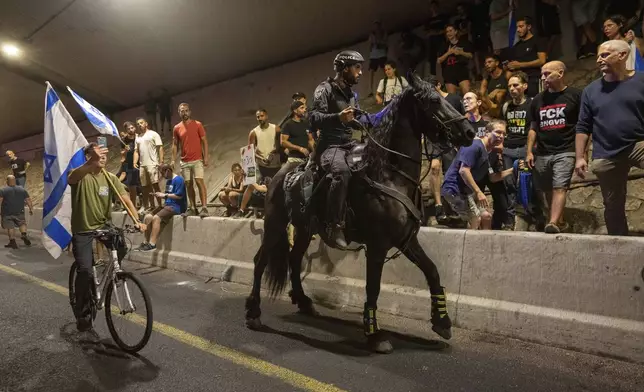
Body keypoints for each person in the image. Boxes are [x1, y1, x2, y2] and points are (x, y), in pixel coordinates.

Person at [68, 143, 144, 332]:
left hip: (104, 225)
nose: (103, 157)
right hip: (83, 228)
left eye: (104, 155)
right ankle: (82, 311)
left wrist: (137, 219)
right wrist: (89, 163)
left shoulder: (110, 178)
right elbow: (72, 178)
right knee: (85, 270)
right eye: (98, 154)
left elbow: (125, 198)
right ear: (88, 156)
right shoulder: (80, 175)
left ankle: (110, 274)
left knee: (122, 247)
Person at [575, 40, 644, 236]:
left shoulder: (641, 81)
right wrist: (580, 157)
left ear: (622, 55)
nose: (599, 60)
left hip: (638, 144)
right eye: (598, 56)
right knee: (612, 204)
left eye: (604, 55)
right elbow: (583, 126)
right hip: (607, 151)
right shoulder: (590, 91)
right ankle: (619, 244)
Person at [309, 50, 365, 248]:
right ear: (344, 68)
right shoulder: (324, 89)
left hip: (350, 145)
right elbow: (313, 118)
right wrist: (338, 117)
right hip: (330, 147)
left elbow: (358, 119)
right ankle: (334, 225)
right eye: (357, 68)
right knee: (341, 171)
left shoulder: (352, 95)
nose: (360, 72)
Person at [526, 61, 582, 234]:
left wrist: (582, 153)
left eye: (547, 74)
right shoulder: (538, 99)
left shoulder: (575, 95)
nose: (543, 78)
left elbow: (583, 126)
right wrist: (529, 151)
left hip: (566, 150)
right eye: (542, 74)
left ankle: (553, 222)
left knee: (560, 186)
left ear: (560, 73)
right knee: (547, 189)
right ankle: (560, 220)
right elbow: (533, 127)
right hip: (543, 152)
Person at [441, 120, 515, 229]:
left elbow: (492, 177)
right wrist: (479, 192)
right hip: (454, 189)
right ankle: (471, 244)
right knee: (476, 218)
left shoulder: (489, 151)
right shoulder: (474, 146)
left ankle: (485, 243)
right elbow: (463, 171)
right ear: (487, 132)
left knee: (486, 216)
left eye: (504, 134)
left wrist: (514, 169)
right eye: (498, 132)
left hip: (466, 192)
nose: (501, 136)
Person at [172, 103, 210, 218]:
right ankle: (193, 207)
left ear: (190, 111)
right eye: (182, 111)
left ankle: (204, 207)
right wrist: (173, 160)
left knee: (199, 182)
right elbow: (175, 144)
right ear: (179, 112)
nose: (185, 113)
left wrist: (206, 156)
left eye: (186, 111)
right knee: (188, 184)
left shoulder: (198, 124)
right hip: (185, 161)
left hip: (197, 159)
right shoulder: (177, 128)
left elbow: (204, 141)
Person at [139, 164, 187, 251]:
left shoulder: (179, 180)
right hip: (167, 205)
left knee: (157, 217)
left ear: (168, 171)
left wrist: (164, 195)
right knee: (148, 217)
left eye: (162, 173)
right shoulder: (169, 181)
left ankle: (152, 243)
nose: (161, 175)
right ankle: (145, 242)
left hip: (176, 206)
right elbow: (167, 195)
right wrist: (159, 195)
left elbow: (179, 196)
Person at [505, 16, 547, 97]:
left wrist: (520, 65)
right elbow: (512, 66)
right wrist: (509, 69)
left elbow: (542, 60)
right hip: (520, 81)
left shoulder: (538, 40)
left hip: (535, 78)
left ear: (529, 27)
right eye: (517, 27)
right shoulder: (516, 47)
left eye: (521, 26)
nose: (518, 30)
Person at [134, 117, 164, 212]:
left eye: (141, 123)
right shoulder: (138, 137)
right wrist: (134, 162)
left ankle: (160, 205)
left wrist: (161, 161)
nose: (139, 125)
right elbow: (136, 151)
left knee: (155, 184)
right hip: (142, 165)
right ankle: (152, 205)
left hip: (152, 163)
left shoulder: (153, 134)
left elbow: (160, 148)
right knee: (145, 186)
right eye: (138, 124)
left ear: (146, 123)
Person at [437, 24, 474, 94]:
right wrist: (448, 52)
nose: (449, 33)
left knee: (468, 94)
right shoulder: (444, 45)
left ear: (456, 32)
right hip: (449, 73)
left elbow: (470, 55)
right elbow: (439, 60)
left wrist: (460, 52)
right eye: (447, 32)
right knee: (452, 99)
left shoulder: (464, 42)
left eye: (451, 31)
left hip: (462, 71)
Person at [280, 100, 315, 171]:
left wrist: (315, 154)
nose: (304, 110)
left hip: (307, 160)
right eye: (302, 108)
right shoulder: (287, 124)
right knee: (277, 180)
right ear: (295, 110)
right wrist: (300, 148)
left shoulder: (306, 123)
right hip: (294, 160)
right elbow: (283, 142)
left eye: (305, 108)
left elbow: (310, 140)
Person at [0, 175, 33, 248]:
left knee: (10, 227)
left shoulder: (3, 190)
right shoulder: (22, 189)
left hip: (7, 212)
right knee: (22, 223)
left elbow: (0, 200)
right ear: (15, 181)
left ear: (7, 181)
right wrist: (31, 208)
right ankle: (24, 234)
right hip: (19, 211)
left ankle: (12, 242)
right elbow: (28, 200)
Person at [249, 109, 282, 181]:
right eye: (258, 117)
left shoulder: (276, 129)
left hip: (275, 164)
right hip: (262, 166)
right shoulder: (253, 132)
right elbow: (250, 152)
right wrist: (261, 158)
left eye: (262, 116)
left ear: (266, 116)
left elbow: (280, 145)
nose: (260, 118)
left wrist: (274, 153)